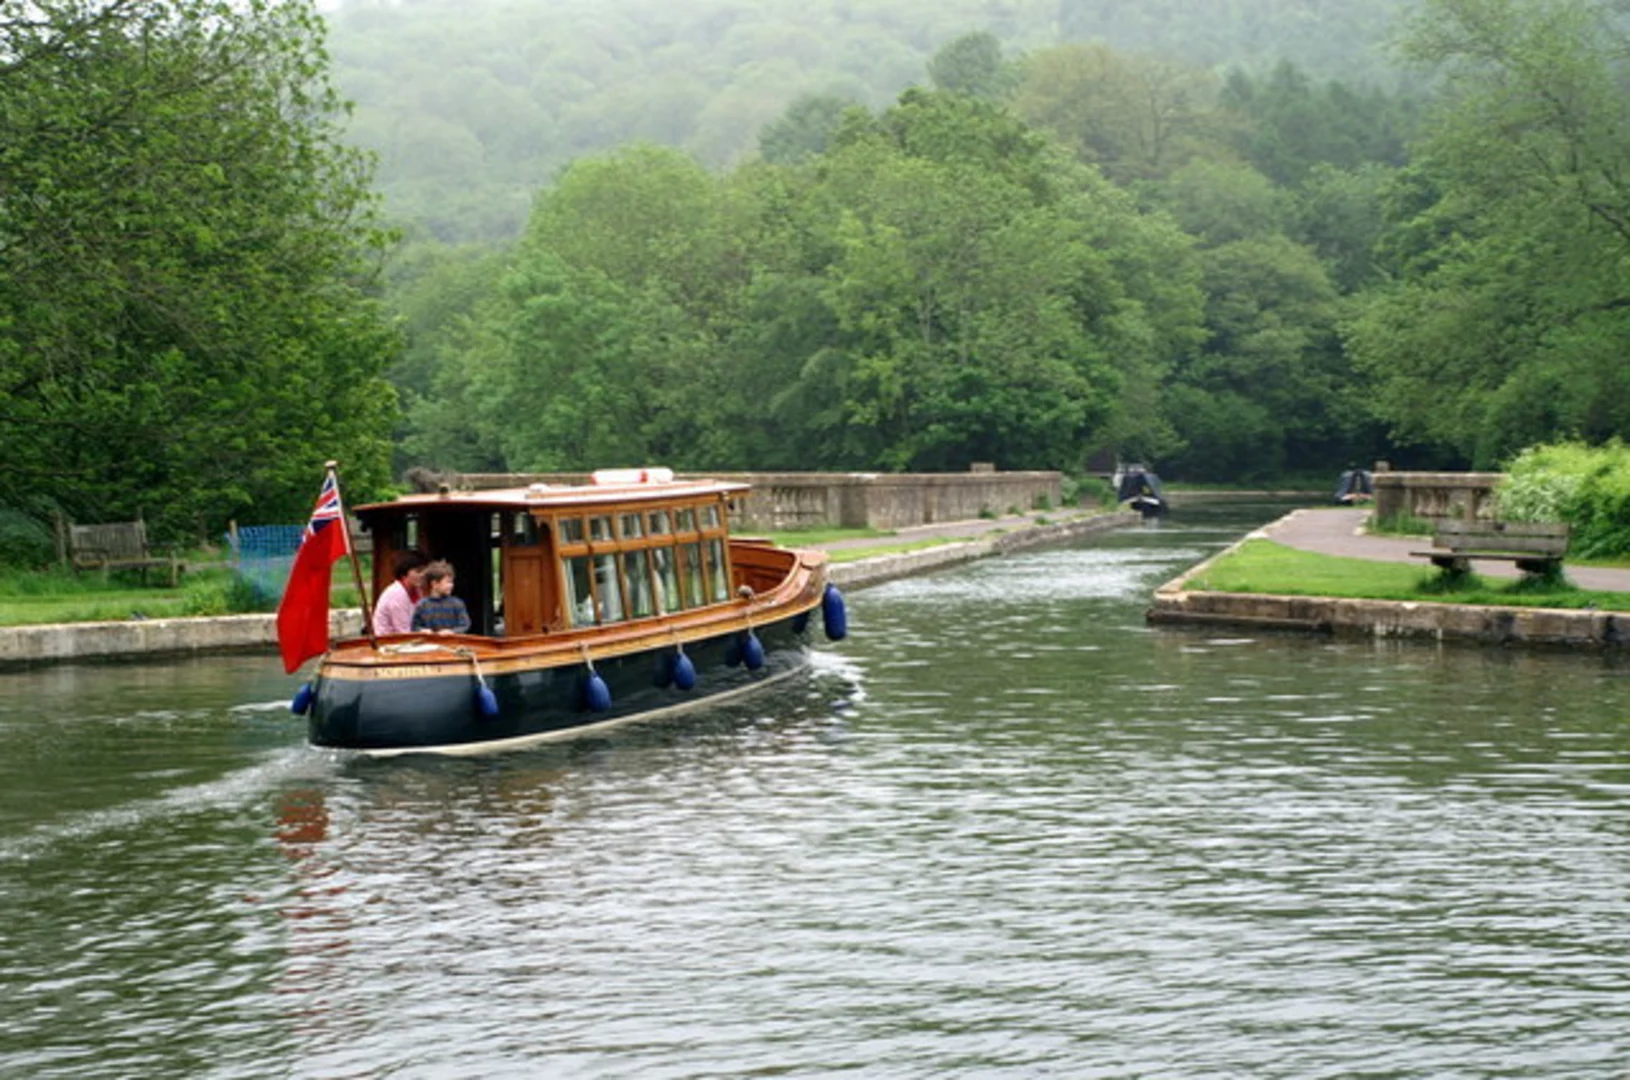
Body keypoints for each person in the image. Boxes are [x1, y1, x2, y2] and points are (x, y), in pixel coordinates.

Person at [372, 549, 427, 635]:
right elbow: (403, 631)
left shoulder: (417, 590)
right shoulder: (397, 594)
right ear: (404, 574)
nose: (422, 575)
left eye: (424, 571)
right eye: (418, 571)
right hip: (389, 641)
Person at [412, 560, 471, 634]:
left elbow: (465, 625)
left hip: (453, 644)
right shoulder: (422, 605)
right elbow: (414, 626)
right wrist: (422, 630)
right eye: (448, 582)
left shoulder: (457, 604)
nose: (451, 585)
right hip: (430, 644)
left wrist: (452, 632)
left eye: (452, 582)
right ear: (434, 584)